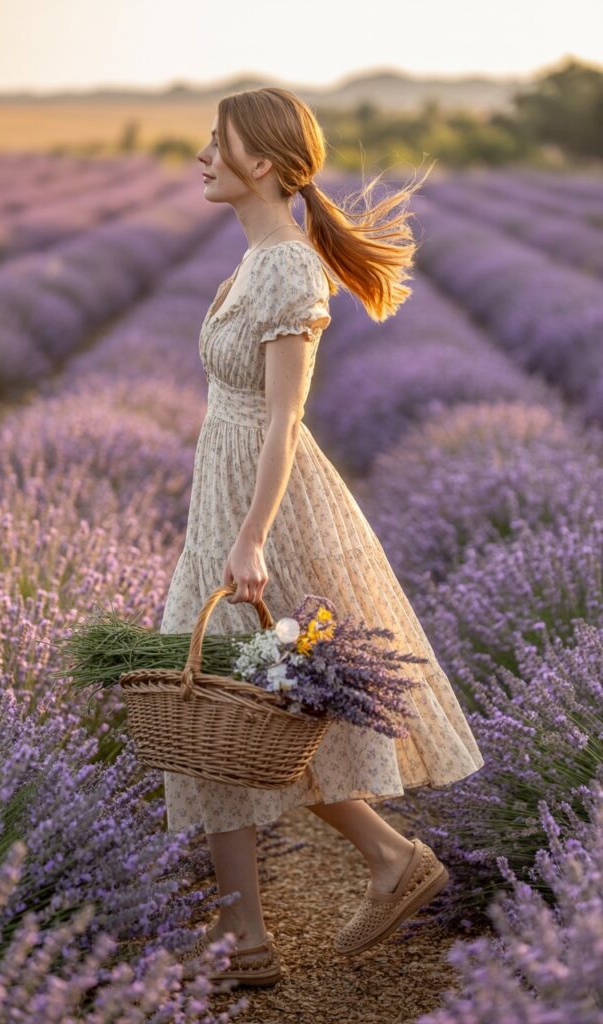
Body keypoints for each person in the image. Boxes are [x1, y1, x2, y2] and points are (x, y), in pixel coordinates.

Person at [162, 86, 485, 986]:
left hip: (265, 508)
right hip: (220, 501)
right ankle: (259, 935)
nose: (200, 156)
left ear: (258, 163)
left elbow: (283, 419)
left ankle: (358, 879)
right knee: (222, 717)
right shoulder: (253, 262)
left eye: (214, 143)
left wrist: (253, 537)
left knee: (246, 709)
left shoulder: (289, 272)